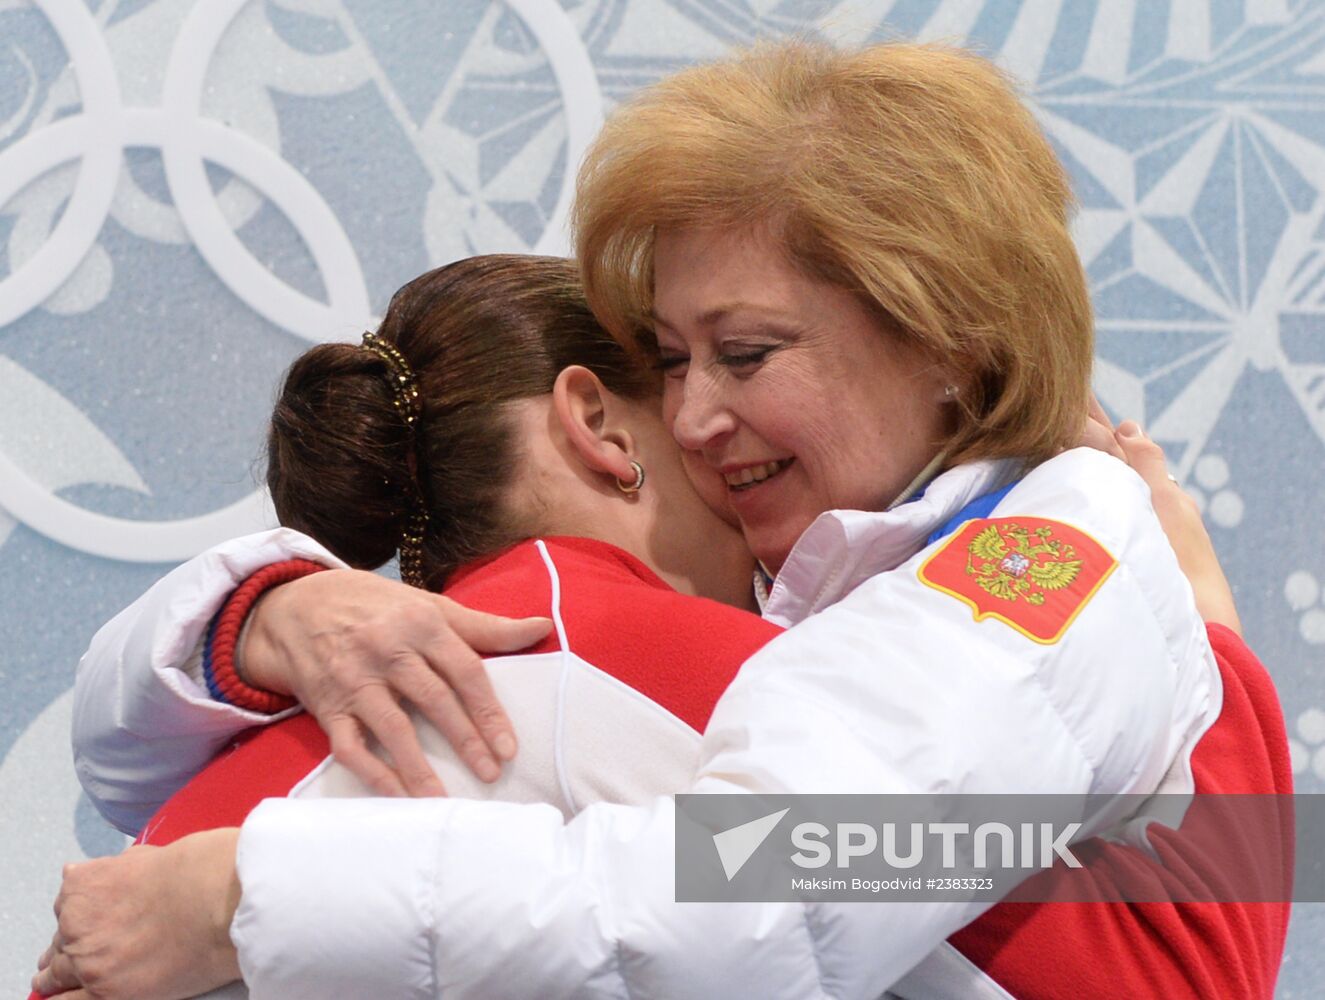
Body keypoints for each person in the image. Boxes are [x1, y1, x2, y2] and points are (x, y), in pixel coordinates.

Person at [39, 39, 1282, 1000]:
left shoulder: (1042, 547)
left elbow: (760, 898)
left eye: (742, 354)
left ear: (948, 329)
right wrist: (265, 611)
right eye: (674, 361)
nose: (693, 419)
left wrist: (238, 884)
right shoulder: (642, 648)